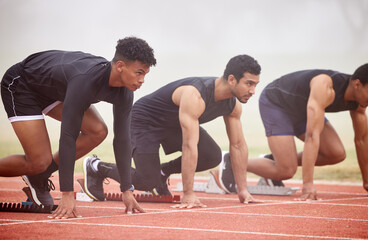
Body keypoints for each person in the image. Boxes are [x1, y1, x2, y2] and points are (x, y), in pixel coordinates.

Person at [0, 37, 156, 218]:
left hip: (54, 90)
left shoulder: (125, 91)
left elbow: (122, 140)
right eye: (139, 73)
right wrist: (67, 193)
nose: (142, 80)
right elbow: (68, 135)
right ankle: (38, 171)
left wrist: (127, 189)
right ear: (120, 66)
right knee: (38, 162)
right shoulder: (85, 80)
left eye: (145, 74)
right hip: (23, 84)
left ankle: (38, 178)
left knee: (98, 131)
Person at [82, 54, 261, 208]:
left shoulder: (233, 104)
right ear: (231, 79)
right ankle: (96, 166)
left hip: (173, 125)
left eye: (255, 85)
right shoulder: (195, 95)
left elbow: (237, 145)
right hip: (146, 121)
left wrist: (243, 190)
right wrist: (188, 193)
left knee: (212, 155)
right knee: (146, 181)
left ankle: (161, 172)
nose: (253, 91)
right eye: (249, 84)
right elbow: (189, 145)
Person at [217, 64, 368, 200]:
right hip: (277, 103)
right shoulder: (325, 85)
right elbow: (312, 135)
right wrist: (308, 184)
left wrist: (367, 181)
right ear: (357, 84)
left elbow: (362, 140)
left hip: (302, 110)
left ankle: (272, 160)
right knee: (287, 170)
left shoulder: (359, 104)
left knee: (336, 153)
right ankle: (231, 160)